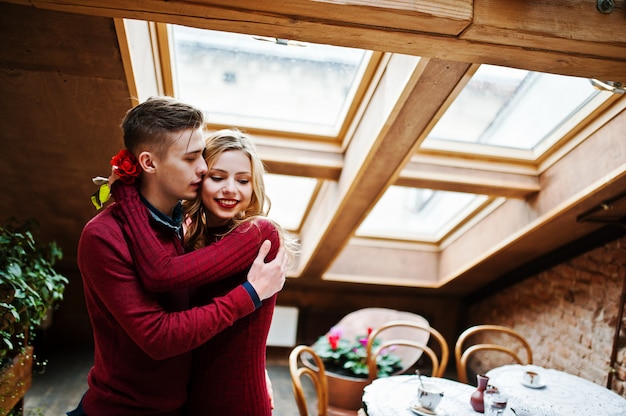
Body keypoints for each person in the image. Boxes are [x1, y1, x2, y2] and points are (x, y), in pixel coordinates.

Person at [72, 97, 287, 416]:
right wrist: (250, 295)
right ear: (148, 163)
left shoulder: (184, 226)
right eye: (191, 158)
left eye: (202, 154)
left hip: (190, 405)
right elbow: (158, 334)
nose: (203, 168)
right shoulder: (105, 236)